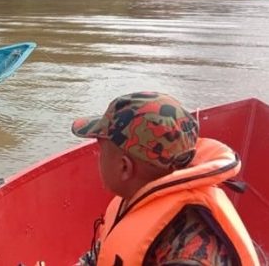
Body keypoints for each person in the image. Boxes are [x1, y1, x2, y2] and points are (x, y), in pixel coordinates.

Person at [70, 92, 260, 266]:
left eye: (101, 151)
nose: (98, 158)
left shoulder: (189, 254)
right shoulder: (140, 195)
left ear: (124, 167)